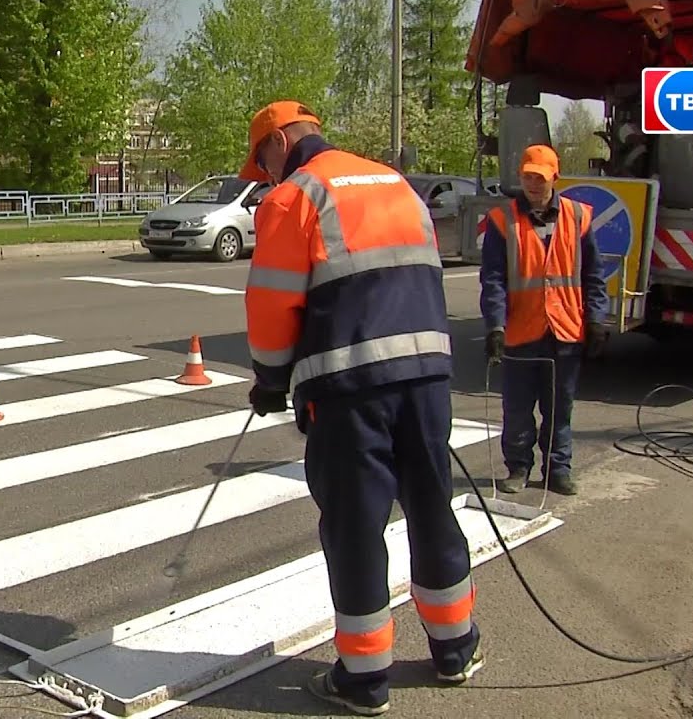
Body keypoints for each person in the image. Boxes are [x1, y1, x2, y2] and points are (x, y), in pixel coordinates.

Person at [240, 100, 482, 716]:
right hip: (427, 378)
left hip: (350, 390)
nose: (263, 174)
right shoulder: (395, 183)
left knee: (356, 528)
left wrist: (270, 380)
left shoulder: (294, 197)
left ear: (279, 140)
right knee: (432, 507)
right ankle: (456, 648)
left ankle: (365, 679)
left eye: (262, 160)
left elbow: (272, 306)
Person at [479, 144, 609, 496]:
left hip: (565, 330)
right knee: (518, 408)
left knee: (559, 408)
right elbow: (492, 279)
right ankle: (518, 467)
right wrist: (495, 326)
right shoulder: (502, 220)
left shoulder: (578, 217)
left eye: (539, 176)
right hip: (521, 331)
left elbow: (594, 276)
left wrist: (597, 319)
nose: (533, 183)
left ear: (555, 176)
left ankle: (558, 469)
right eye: (527, 176)